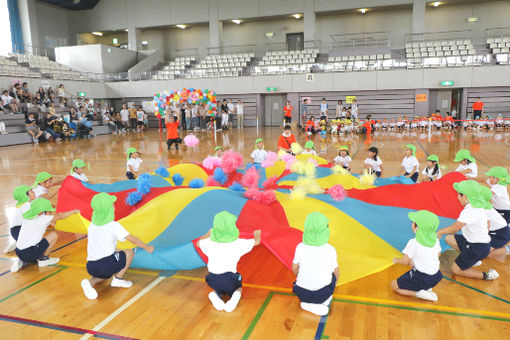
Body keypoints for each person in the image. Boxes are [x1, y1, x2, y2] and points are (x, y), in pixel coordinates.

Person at [80, 193, 154, 300]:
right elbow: (132, 239)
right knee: (129, 253)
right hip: (106, 264)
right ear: (109, 209)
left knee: (102, 275)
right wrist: (147, 247)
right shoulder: (114, 225)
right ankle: (118, 279)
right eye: (112, 205)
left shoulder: (92, 225)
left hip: (91, 266)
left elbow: (101, 244)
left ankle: (89, 283)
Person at [197, 211, 261, 312]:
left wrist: (208, 233)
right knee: (238, 288)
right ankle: (233, 299)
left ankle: (214, 295)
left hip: (212, 279)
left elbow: (198, 243)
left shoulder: (209, 242)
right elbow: (256, 242)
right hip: (229, 279)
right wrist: (257, 234)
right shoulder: (238, 243)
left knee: (217, 289)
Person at [437, 180, 499, 280]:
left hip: (477, 248)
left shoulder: (469, 211)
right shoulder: (478, 207)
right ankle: (472, 260)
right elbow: (487, 224)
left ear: (465, 196)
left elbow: (454, 229)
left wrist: (439, 232)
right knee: (449, 239)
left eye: (459, 195)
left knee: (456, 270)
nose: (457, 197)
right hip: (478, 244)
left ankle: (487, 275)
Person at [11, 198, 79, 272]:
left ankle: (22, 260)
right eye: (49, 211)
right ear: (41, 212)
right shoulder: (43, 219)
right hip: (30, 252)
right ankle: (44, 259)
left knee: (32, 241)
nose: (50, 213)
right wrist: (73, 211)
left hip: (19, 252)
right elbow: (60, 216)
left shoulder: (29, 217)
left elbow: (54, 219)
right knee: (53, 235)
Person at [292, 212, 338, 316]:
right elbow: (336, 272)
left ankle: (306, 304)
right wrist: (334, 282)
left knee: (302, 279)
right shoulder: (330, 249)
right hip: (322, 293)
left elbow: (294, 268)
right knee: (332, 275)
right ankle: (323, 302)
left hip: (301, 292)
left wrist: (300, 276)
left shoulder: (300, 247)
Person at [391, 210, 442, 301]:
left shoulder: (414, 243)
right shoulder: (435, 239)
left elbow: (404, 261)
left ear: (417, 227)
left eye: (413, 223)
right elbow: (438, 254)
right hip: (436, 276)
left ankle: (420, 293)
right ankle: (427, 287)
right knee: (412, 262)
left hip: (422, 277)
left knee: (394, 285)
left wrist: (396, 260)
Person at [4, 185, 35, 253]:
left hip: (20, 229)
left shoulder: (27, 204)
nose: (34, 192)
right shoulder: (26, 205)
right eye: (32, 191)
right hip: (17, 230)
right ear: (26, 196)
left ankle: (18, 242)